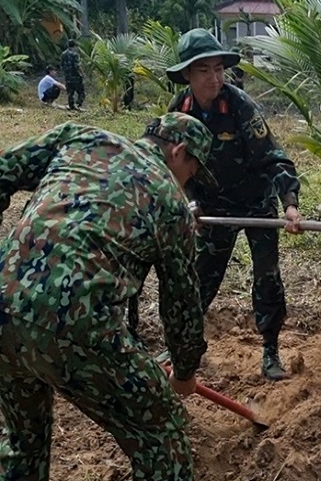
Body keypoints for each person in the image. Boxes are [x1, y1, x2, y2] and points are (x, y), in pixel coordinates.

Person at [0, 112, 215, 480]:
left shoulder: (81, 137)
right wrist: (184, 372)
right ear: (178, 152)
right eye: (192, 173)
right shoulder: (172, 205)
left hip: (3, 305)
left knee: (25, 440)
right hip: (77, 325)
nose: (187, 184)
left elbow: (5, 168)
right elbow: (181, 307)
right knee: (161, 432)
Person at [164, 28, 303, 381]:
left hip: (256, 205)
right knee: (200, 281)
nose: (214, 78)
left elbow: (274, 158)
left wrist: (288, 203)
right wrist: (189, 204)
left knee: (267, 279)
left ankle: (271, 351)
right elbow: (172, 167)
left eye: (218, 69)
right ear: (187, 75)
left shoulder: (240, 106)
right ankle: (185, 346)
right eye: (203, 71)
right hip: (212, 210)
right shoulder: (179, 111)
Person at [60, 39, 85, 111]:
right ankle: (78, 105)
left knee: (70, 93)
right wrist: (82, 74)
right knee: (81, 92)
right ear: (74, 46)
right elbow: (77, 66)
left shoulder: (63, 54)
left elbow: (61, 65)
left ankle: (71, 106)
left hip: (68, 77)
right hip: (76, 77)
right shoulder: (75, 54)